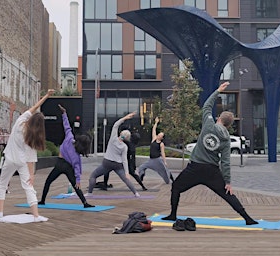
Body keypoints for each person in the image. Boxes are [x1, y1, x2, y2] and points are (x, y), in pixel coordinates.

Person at [162, 81, 258, 225]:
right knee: (227, 194)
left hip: (194, 168)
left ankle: (172, 215)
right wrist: (228, 182)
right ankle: (248, 218)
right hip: (211, 171)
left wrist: (218, 90)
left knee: (176, 188)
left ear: (219, 118)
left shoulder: (208, 123)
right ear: (229, 125)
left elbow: (207, 105)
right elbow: (225, 162)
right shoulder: (226, 140)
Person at [0, 89, 55, 222]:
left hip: (9, 158)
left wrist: (47, 96)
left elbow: (34, 107)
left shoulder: (19, 121)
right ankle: (36, 215)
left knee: (2, 185)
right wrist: (32, 175)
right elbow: (30, 160)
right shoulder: (32, 138)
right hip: (22, 162)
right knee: (28, 187)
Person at [38, 104, 94, 208]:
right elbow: (77, 168)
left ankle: (42, 200)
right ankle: (85, 203)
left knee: (48, 181)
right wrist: (78, 180)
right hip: (68, 167)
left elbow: (66, 125)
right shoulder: (77, 155)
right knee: (75, 185)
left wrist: (64, 113)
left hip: (59, 164)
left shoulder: (69, 138)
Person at [86, 112, 140, 197]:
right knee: (126, 179)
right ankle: (136, 193)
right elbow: (124, 160)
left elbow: (116, 125)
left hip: (107, 162)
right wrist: (126, 172)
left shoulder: (113, 138)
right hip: (117, 164)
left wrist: (125, 117)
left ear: (121, 133)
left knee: (93, 176)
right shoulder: (124, 146)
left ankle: (89, 193)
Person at [138, 117, 174, 184]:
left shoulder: (161, 144)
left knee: (165, 170)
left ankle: (172, 180)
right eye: (159, 134)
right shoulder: (154, 139)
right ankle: (141, 176)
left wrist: (165, 161)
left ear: (162, 137)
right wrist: (156, 122)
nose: (159, 135)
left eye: (160, 135)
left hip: (157, 160)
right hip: (151, 160)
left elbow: (163, 153)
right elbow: (153, 129)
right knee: (141, 167)